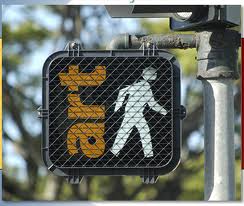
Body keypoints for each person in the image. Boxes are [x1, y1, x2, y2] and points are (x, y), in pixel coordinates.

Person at [110, 67, 167, 158]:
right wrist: (117, 107)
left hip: (135, 113)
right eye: (154, 73)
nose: (155, 75)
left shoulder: (143, 85)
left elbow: (151, 104)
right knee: (137, 131)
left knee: (128, 132)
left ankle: (114, 152)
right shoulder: (143, 85)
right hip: (133, 113)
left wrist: (118, 107)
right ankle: (148, 155)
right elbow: (152, 104)